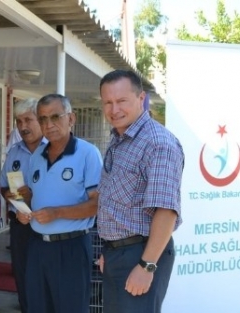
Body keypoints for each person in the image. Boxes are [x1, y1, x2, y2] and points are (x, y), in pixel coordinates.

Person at [97, 70, 183, 313]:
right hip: (118, 253)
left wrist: (147, 266)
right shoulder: (119, 139)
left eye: (122, 101)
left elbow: (166, 212)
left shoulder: (158, 144)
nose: (114, 109)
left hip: (141, 255)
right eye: (108, 102)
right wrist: (110, 250)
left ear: (141, 98)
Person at [17, 94, 102, 313]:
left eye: (56, 117)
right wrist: (24, 210)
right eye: (43, 119)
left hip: (71, 248)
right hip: (36, 246)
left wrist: (57, 213)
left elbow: (98, 205)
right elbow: (36, 197)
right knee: (37, 307)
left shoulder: (87, 153)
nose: (49, 124)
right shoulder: (37, 156)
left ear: (71, 118)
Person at [0, 98, 46, 313]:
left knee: (46, 277)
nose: (23, 126)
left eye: (28, 119)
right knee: (23, 275)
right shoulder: (14, 152)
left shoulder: (54, 148)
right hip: (20, 226)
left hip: (48, 223)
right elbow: (2, 186)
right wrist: (9, 195)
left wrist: (33, 195)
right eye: (19, 121)